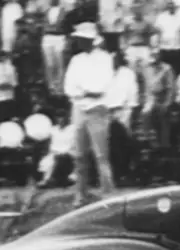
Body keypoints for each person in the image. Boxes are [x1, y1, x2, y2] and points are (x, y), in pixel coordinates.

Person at [64, 22, 116, 206]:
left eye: (82, 39)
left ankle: (108, 194)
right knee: (79, 155)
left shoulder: (104, 59)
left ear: (91, 40)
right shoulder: (76, 60)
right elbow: (69, 87)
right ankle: (81, 194)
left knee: (101, 155)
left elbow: (102, 86)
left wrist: (85, 91)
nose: (79, 42)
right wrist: (84, 93)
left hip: (98, 110)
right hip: (79, 109)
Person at [142, 48, 176, 149]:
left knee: (163, 116)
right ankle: (150, 143)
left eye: (156, 55)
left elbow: (171, 88)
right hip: (150, 99)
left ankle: (164, 146)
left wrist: (167, 103)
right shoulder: (146, 68)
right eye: (152, 55)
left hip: (163, 99)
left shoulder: (167, 68)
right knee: (146, 113)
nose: (154, 57)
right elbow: (145, 86)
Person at [36, 113, 76, 189]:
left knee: (72, 158)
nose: (61, 120)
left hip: (69, 152)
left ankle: (72, 178)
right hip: (55, 152)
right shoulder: (53, 130)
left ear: (67, 118)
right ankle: (46, 180)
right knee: (50, 160)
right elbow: (49, 143)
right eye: (59, 118)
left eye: (63, 117)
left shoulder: (72, 129)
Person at [153, 0, 180, 76]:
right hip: (165, 50)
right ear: (167, 6)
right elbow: (158, 33)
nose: (170, 6)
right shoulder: (161, 17)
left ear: (175, 6)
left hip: (179, 50)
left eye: (172, 4)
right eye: (169, 4)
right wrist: (156, 49)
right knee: (166, 74)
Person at [41, 0, 68, 96]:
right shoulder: (47, 11)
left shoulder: (63, 11)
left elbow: (60, 25)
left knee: (59, 63)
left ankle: (60, 87)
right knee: (49, 64)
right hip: (47, 38)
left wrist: (52, 27)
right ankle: (51, 87)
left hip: (59, 37)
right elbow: (45, 26)